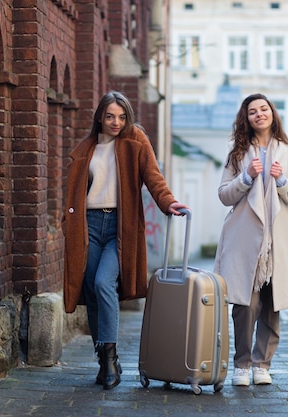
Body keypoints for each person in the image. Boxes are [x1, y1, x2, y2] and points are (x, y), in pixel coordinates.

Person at [63, 91, 188, 390]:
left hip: (121, 225)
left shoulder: (136, 142)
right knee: (91, 289)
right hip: (88, 225)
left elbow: (153, 177)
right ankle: (103, 359)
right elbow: (75, 192)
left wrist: (168, 202)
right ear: (100, 118)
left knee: (105, 283)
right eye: (110, 116)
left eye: (121, 116)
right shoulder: (86, 149)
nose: (116, 122)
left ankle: (110, 355)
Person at [213, 93, 288, 387]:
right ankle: (242, 364)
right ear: (247, 118)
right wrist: (245, 177)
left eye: (263, 109)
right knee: (245, 304)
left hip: (278, 239)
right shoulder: (237, 153)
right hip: (244, 238)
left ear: (272, 113)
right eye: (252, 111)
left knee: (272, 303)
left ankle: (262, 364)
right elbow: (223, 195)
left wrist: (281, 182)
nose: (259, 114)